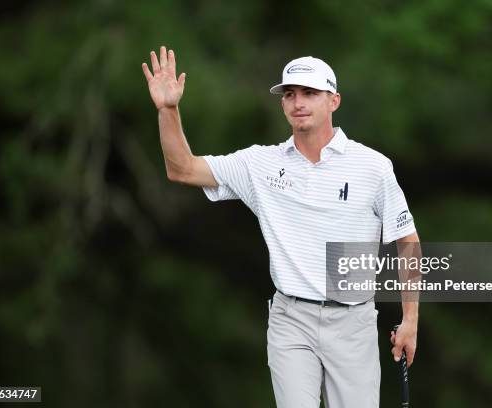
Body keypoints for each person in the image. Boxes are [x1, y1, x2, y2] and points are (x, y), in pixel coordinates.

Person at [142, 46, 419, 408]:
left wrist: (410, 319)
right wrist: (168, 109)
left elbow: (407, 241)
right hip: (292, 320)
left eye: (309, 93)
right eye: (289, 94)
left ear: (334, 101)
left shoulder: (373, 167)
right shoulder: (261, 163)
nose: (297, 102)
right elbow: (182, 168)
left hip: (354, 324)